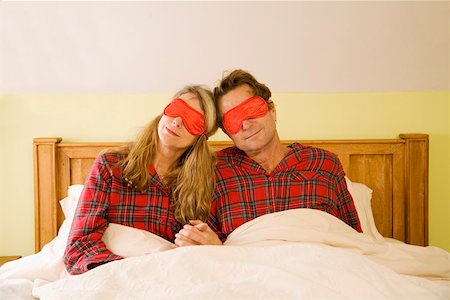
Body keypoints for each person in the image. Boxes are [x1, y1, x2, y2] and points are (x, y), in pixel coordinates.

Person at [174, 69, 362, 246]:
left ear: (272, 110)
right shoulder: (214, 170)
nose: (245, 125)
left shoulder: (324, 163)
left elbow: (354, 240)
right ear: (227, 132)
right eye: (233, 120)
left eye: (251, 110)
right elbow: (205, 240)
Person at [64, 85, 218, 274]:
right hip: (112, 274)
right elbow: (79, 246)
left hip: (170, 276)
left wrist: (209, 246)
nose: (177, 122)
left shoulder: (203, 182)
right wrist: (132, 271)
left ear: (201, 137)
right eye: (176, 110)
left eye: (193, 120)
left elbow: (207, 248)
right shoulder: (110, 166)